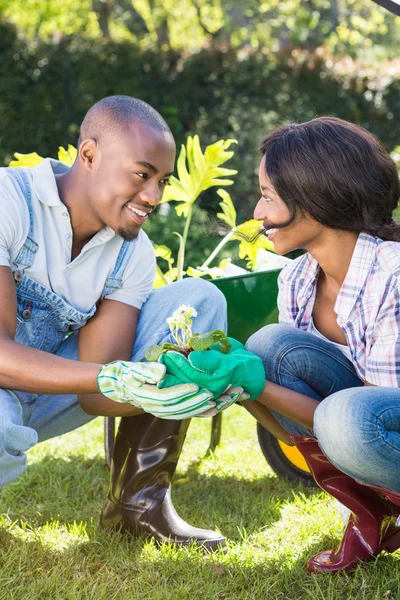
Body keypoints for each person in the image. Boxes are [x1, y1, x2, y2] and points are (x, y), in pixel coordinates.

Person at [0, 95, 262, 551]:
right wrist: (113, 377)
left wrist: (179, 393)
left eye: (161, 181)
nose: (154, 197)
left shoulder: (129, 251)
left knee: (199, 298)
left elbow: (96, 397)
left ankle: (136, 508)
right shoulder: (10, 201)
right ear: (89, 155)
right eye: (142, 175)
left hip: (45, 392)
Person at [241, 116, 400, 573]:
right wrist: (242, 385)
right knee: (269, 346)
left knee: (345, 416)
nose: (256, 212)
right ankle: (367, 512)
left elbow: (369, 420)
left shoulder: (391, 276)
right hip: (365, 423)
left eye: (268, 195)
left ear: (315, 200)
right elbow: (305, 427)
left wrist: (254, 386)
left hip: (384, 416)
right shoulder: (296, 280)